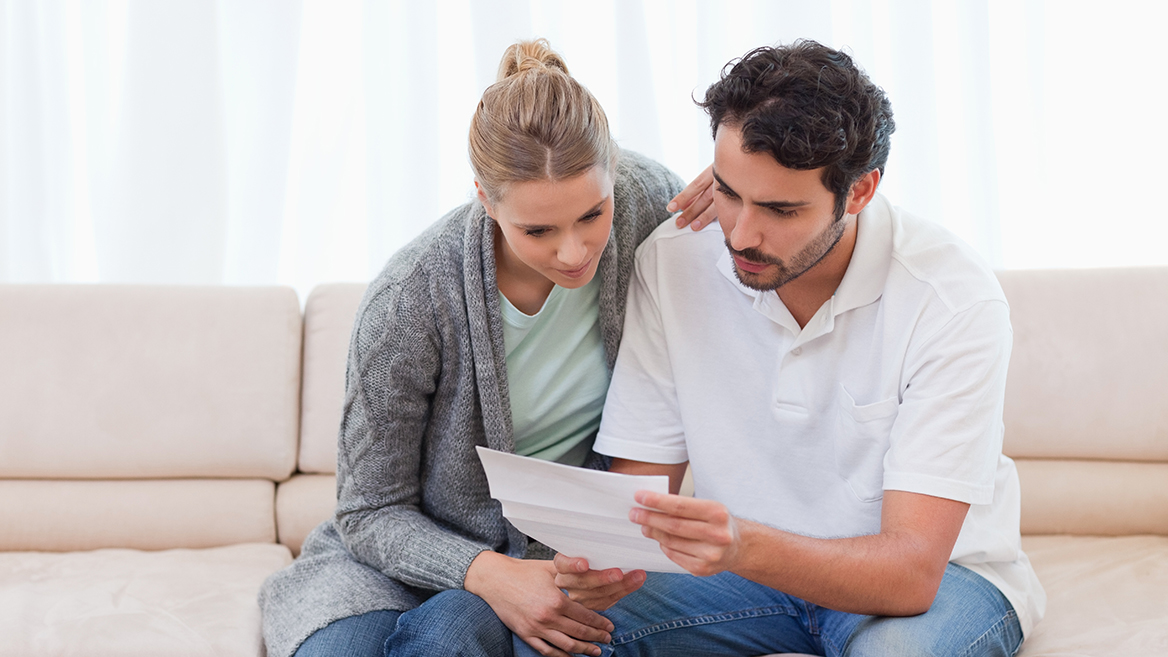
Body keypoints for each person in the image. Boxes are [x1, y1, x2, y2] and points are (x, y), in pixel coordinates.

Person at [552, 40, 1046, 656]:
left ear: (860, 191)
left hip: (938, 581)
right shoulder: (674, 261)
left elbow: (911, 573)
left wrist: (742, 544)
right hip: (738, 579)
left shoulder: (950, 297)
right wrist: (599, 569)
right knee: (550, 631)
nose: (741, 233)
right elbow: (637, 507)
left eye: (780, 209)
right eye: (729, 192)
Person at [258, 39, 686, 657]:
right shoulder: (410, 301)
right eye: (537, 230)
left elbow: (750, 239)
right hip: (393, 561)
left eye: (592, 215)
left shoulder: (646, 202)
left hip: (548, 565)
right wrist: (487, 573)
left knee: (454, 632)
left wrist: (718, 200)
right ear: (485, 201)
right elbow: (369, 512)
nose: (573, 251)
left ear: (614, 172)